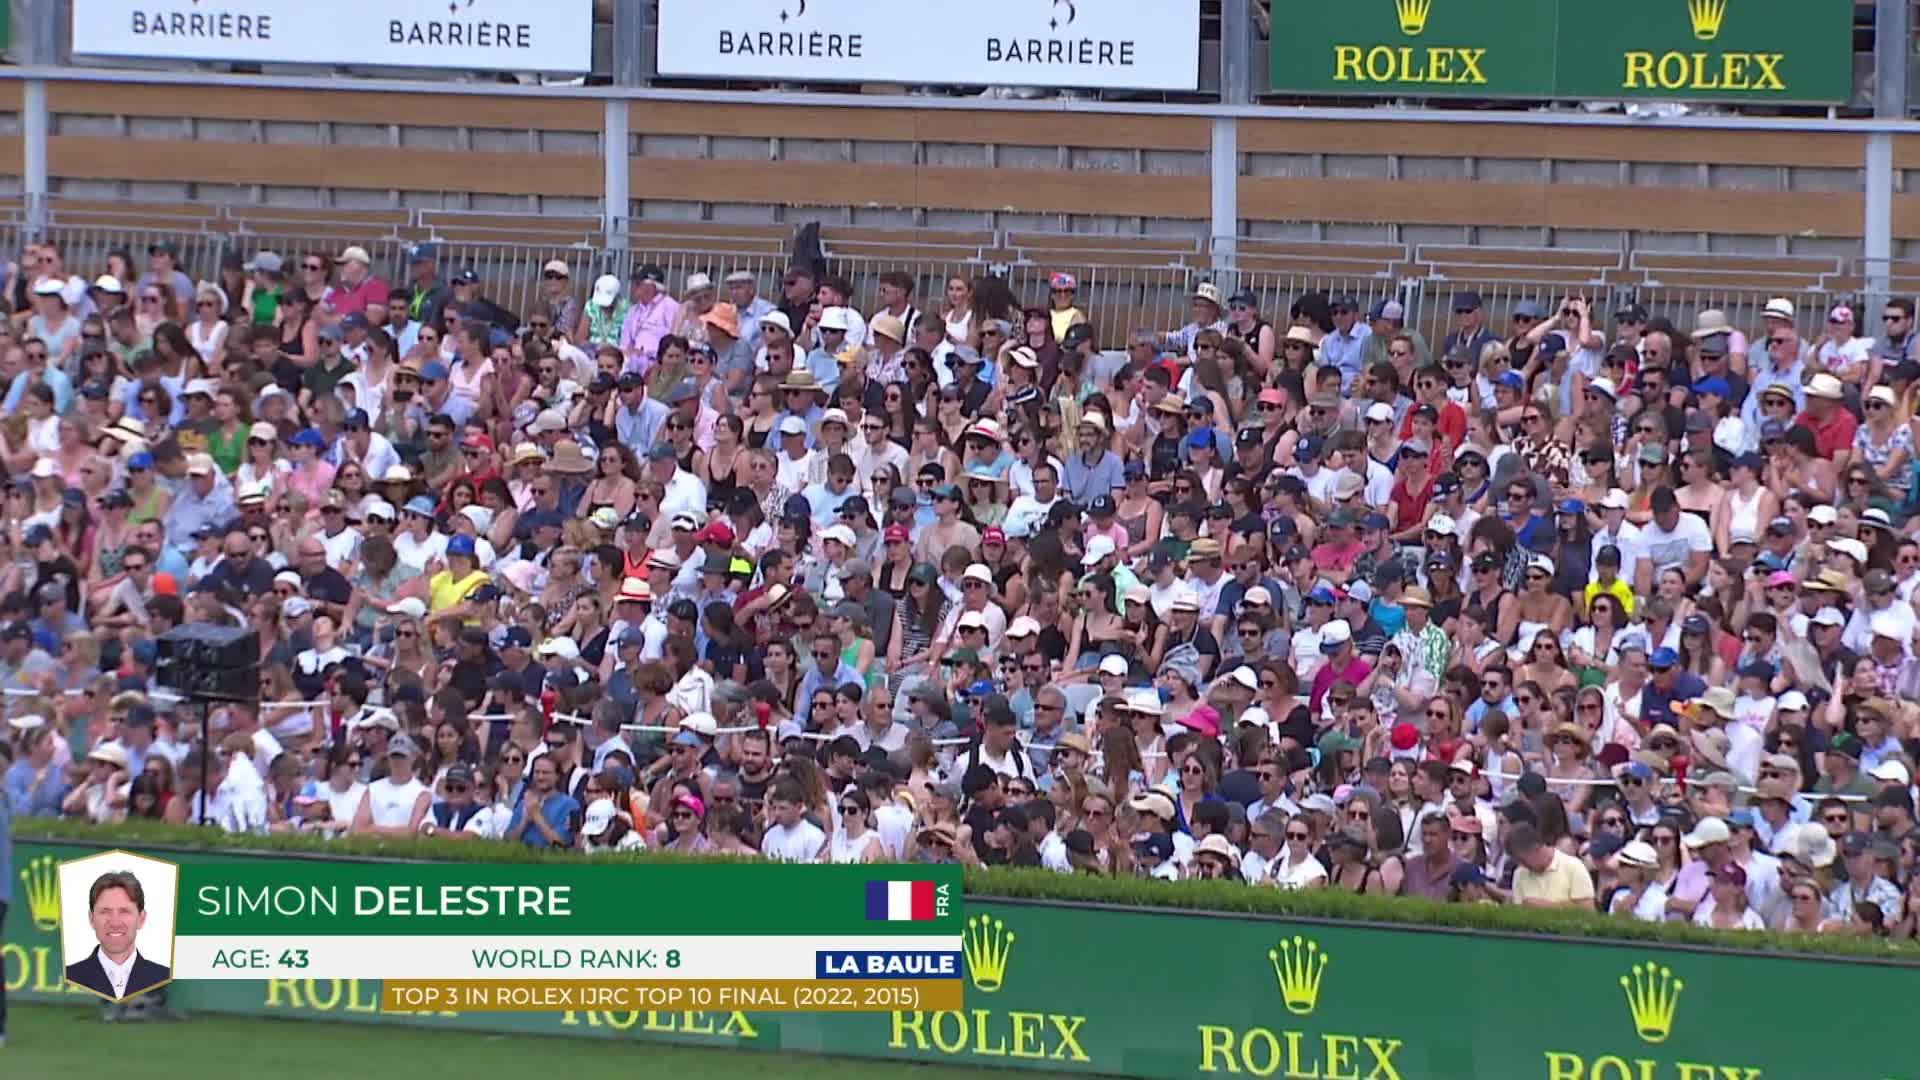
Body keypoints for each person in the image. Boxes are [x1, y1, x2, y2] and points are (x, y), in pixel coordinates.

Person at [65, 870, 172, 1001]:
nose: (115, 923)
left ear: (141, 918)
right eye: (105, 911)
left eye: (124, 911)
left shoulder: (162, 978)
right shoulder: (71, 976)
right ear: (91, 919)